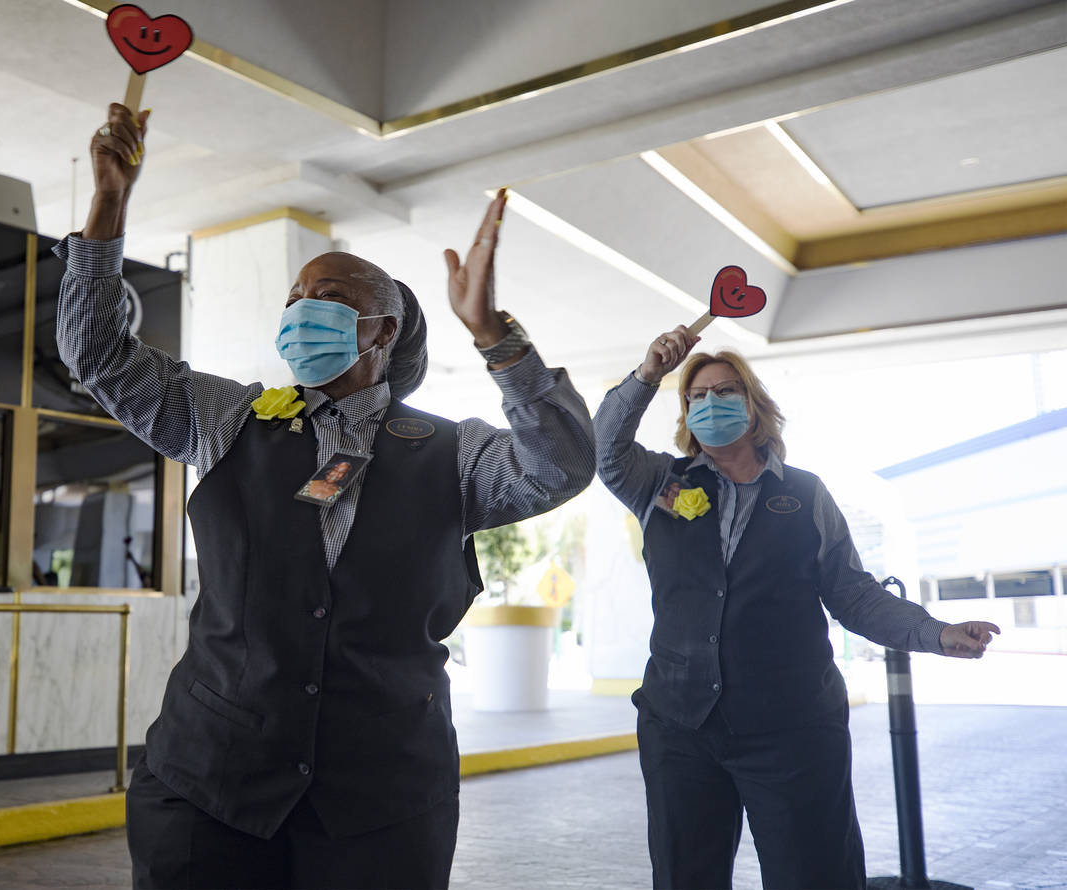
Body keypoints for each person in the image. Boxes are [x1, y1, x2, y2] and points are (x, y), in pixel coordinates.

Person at [56, 104, 595, 889]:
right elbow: (99, 355)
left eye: (332, 295)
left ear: (383, 331)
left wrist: (494, 338)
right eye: (295, 296)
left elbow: (561, 466)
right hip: (211, 786)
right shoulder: (228, 418)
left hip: (381, 802)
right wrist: (108, 207)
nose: (303, 308)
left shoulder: (455, 453)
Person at [594, 325, 1001, 890]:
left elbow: (852, 592)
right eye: (697, 397)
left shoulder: (807, 495)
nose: (711, 403)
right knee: (685, 877)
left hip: (792, 730)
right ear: (686, 416)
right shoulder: (661, 483)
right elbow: (603, 448)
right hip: (679, 728)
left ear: (754, 404)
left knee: (814, 875)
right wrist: (646, 377)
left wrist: (934, 633)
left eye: (725, 391)